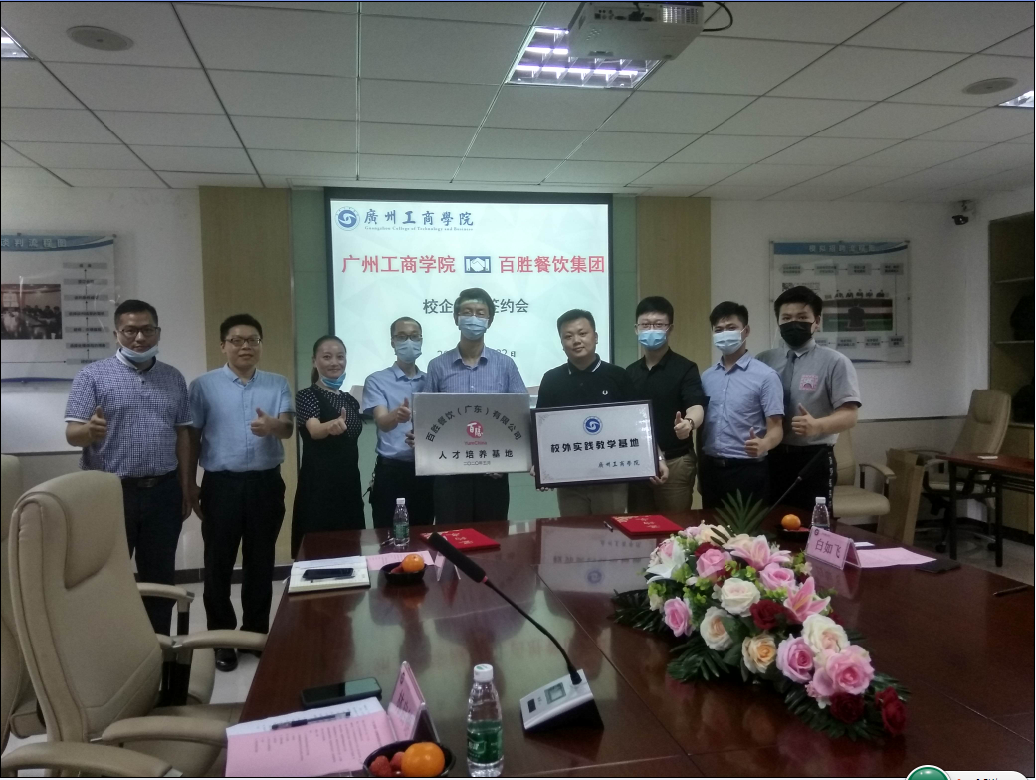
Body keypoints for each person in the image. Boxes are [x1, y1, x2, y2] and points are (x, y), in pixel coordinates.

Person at [64, 299, 192, 636]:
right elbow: (72, 433)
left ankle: (159, 645)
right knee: (108, 575)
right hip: (111, 493)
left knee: (160, 577)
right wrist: (88, 431)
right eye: (130, 330)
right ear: (116, 333)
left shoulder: (173, 378)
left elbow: (182, 434)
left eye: (147, 330)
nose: (139, 338)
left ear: (158, 332)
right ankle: (116, 648)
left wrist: (186, 486)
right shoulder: (92, 376)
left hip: (163, 491)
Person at [186, 314, 294, 672]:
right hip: (221, 485)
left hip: (265, 484)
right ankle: (222, 639)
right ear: (223, 345)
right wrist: (189, 484)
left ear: (260, 345)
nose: (245, 346)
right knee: (218, 564)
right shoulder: (203, 386)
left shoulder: (277, 383)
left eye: (253, 340)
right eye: (237, 340)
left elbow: (287, 428)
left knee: (260, 563)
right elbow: (191, 437)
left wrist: (273, 425)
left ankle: (256, 633)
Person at [536, 309, 668, 516]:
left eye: (582, 333)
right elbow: (541, 430)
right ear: (561, 343)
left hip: (611, 478)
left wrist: (657, 458)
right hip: (569, 479)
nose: (576, 341)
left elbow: (639, 422)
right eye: (568, 336)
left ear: (596, 337)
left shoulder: (617, 376)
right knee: (574, 531)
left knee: (611, 530)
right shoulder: (552, 380)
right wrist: (540, 465)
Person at [424, 288, 527, 523]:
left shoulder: (505, 365)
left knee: (493, 537)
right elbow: (426, 417)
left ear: (490, 320)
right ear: (456, 318)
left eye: (480, 313)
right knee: (451, 537)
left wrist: (507, 460)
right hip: (449, 471)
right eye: (467, 312)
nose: (473, 318)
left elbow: (521, 415)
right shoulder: (438, 366)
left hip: (494, 471)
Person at [758, 286, 861, 514]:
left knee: (813, 525)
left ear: (817, 322)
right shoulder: (764, 360)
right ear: (778, 322)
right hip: (771, 456)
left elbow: (850, 415)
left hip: (813, 458)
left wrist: (818, 425)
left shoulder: (835, 362)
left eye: (802, 317)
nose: (793, 323)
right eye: (786, 318)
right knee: (770, 522)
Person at [699, 302, 784, 509]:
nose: (724, 334)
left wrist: (764, 444)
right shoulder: (707, 377)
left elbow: (776, 428)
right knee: (709, 529)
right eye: (718, 330)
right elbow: (703, 429)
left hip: (748, 470)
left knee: (747, 529)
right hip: (711, 470)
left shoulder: (766, 376)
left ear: (746, 331)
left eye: (731, 328)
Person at [626, 296, 707, 514]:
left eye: (658, 325)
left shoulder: (685, 368)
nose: (651, 330)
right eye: (645, 325)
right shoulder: (629, 373)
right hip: (638, 462)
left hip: (676, 461)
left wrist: (689, 423)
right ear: (636, 329)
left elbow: (697, 406)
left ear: (669, 328)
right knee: (640, 525)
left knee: (675, 527)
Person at [292, 335, 364, 557]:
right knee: (318, 553)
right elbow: (314, 429)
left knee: (351, 550)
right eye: (327, 357)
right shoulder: (306, 395)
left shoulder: (350, 400)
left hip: (350, 486)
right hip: (319, 488)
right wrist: (329, 426)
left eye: (340, 357)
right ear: (314, 361)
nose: (335, 362)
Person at [362, 317, 433, 529]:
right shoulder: (377, 380)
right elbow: (382, 422)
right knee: (388, 535)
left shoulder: (430, 380)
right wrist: (397, 415)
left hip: (426, 471)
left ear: (421, 340)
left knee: (424, 535)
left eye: (414, 336)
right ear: (392, 342)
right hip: (391, 472)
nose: (409, 342)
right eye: (402, 337)